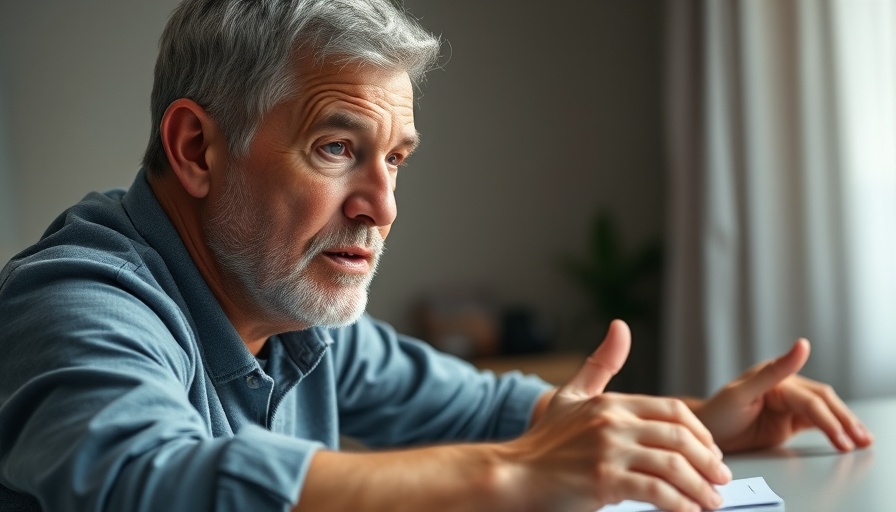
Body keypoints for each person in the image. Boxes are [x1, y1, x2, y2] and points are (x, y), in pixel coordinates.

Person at [0, 1, 873, 511]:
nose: (382, 206)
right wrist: (511, 477)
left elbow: (497, 412)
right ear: (196, 149)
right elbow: (142, 478)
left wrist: (692, 422)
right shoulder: (76, 298)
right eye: (338, 148)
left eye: (396, 160)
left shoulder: (297, 318)